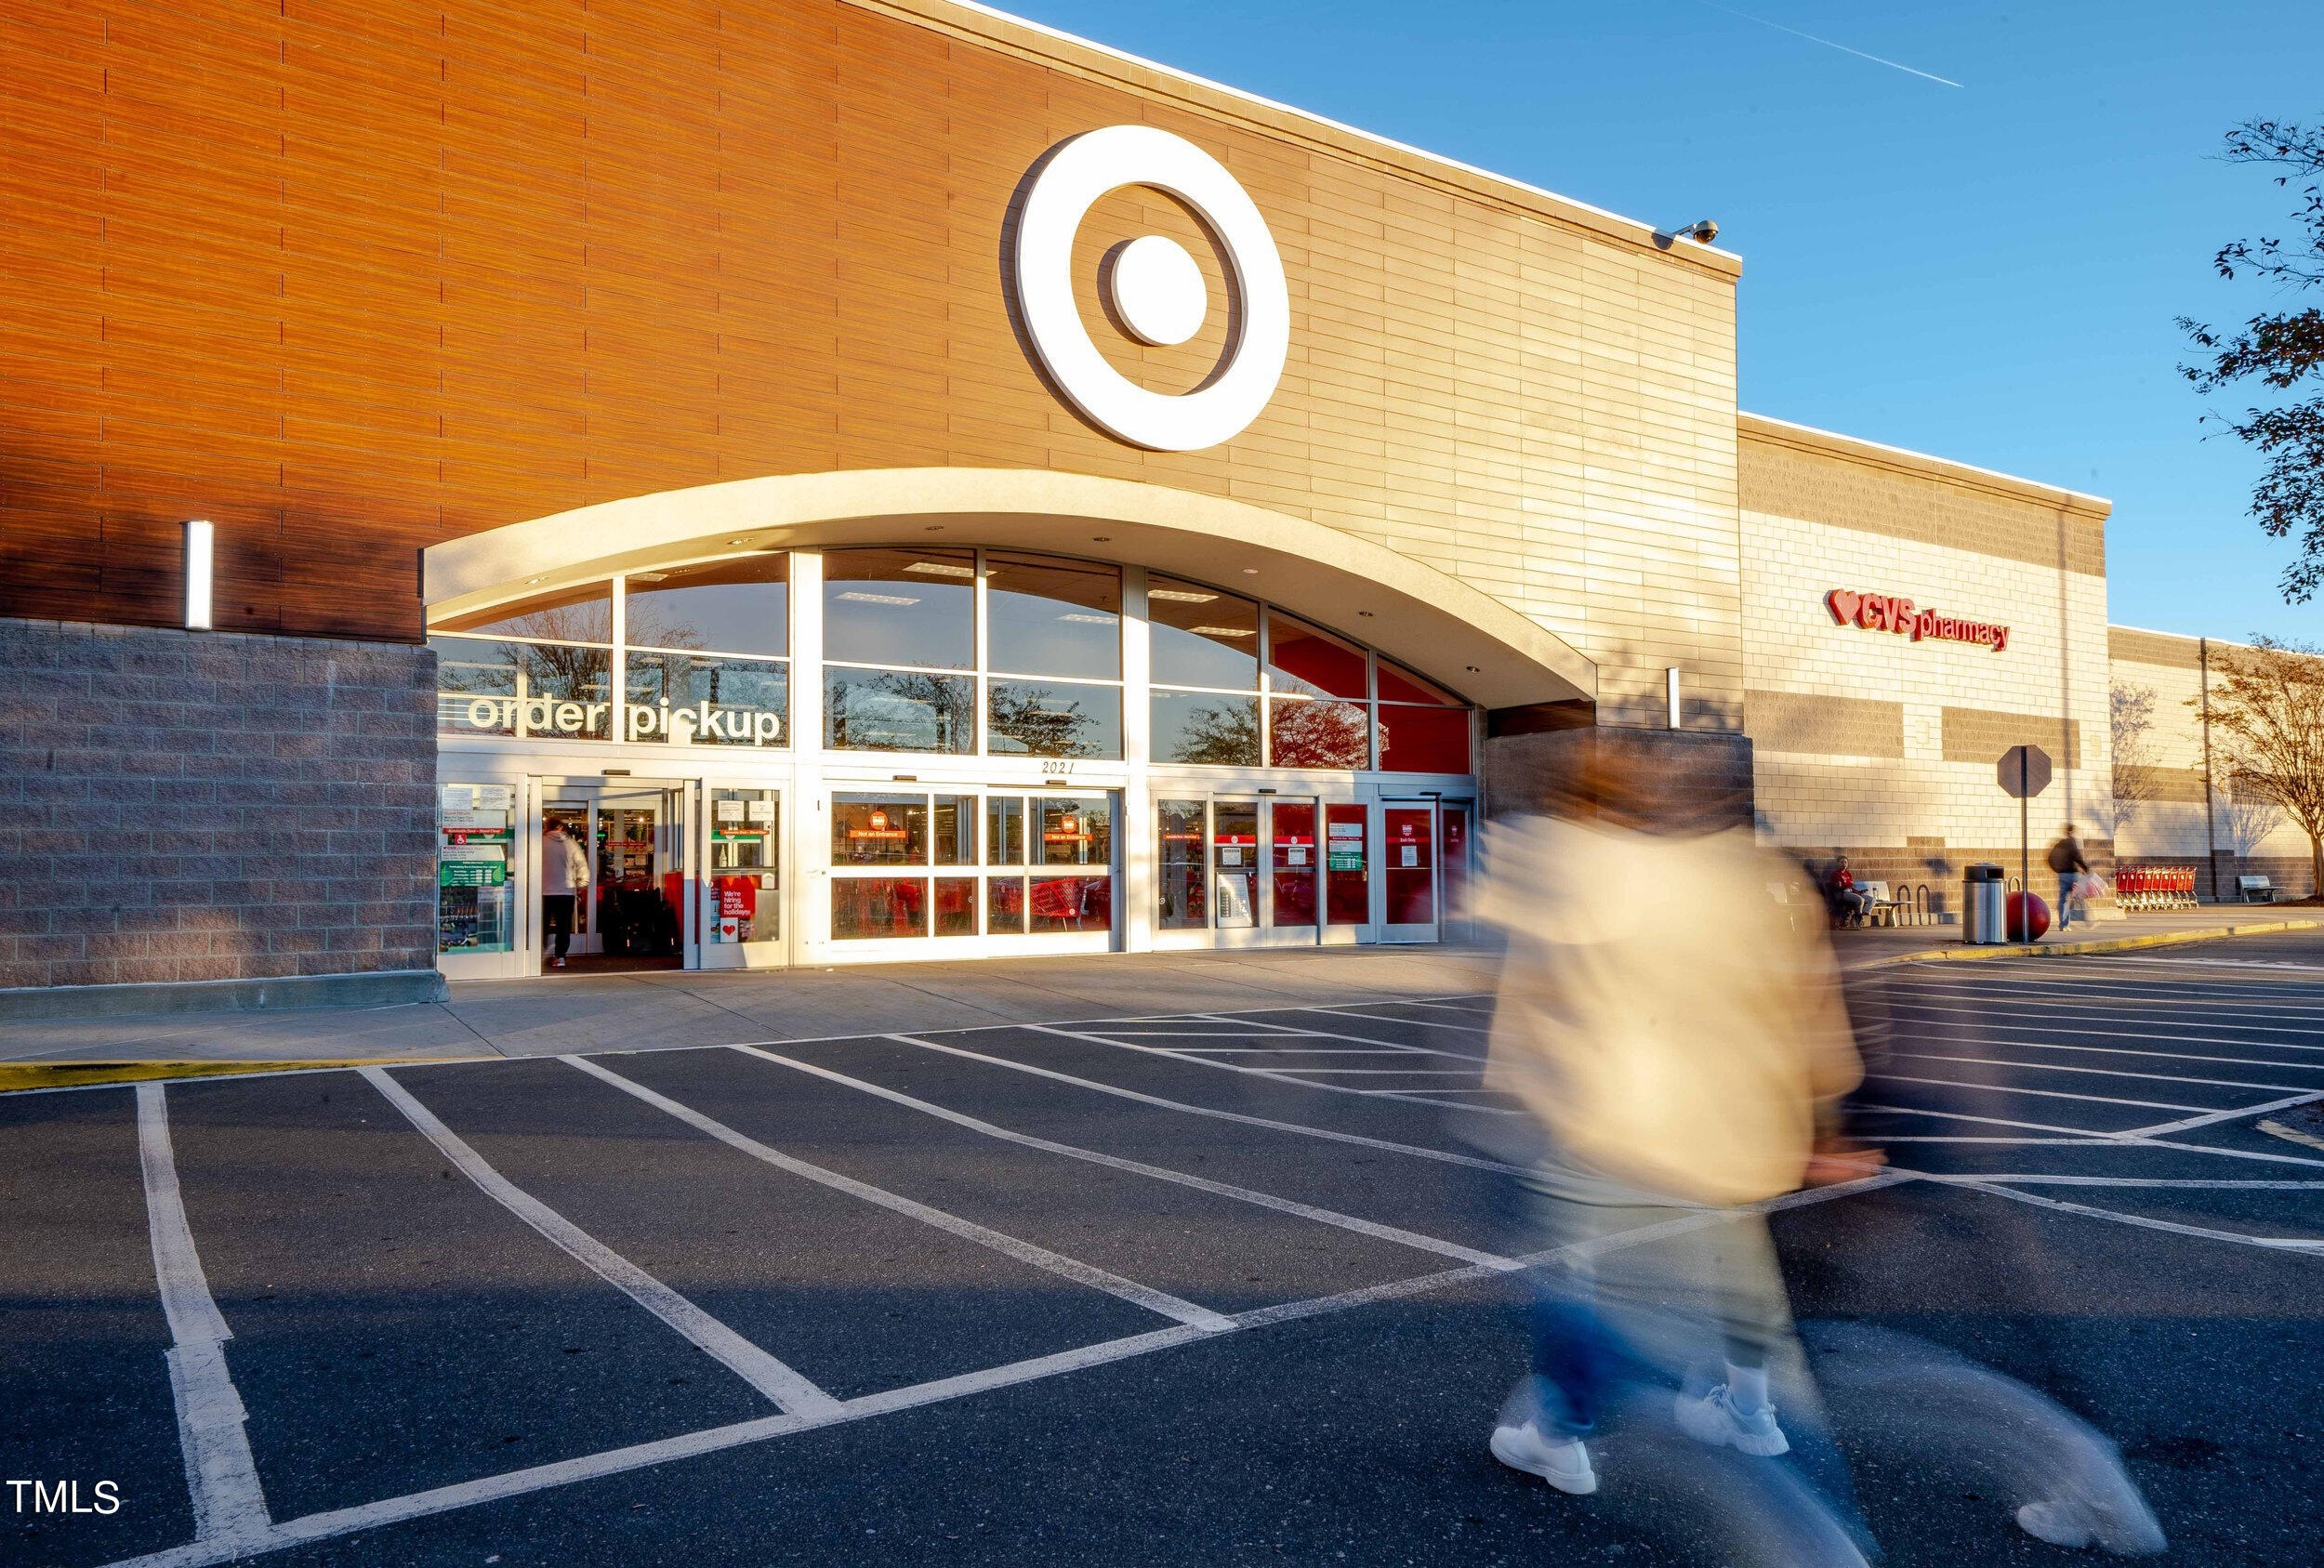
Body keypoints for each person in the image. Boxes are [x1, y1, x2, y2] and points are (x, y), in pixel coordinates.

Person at [1469, 747, 1867, 1548]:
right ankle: (1754, 1413)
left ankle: (1567, 1429)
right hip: (1736, 1125)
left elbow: (1525, 996)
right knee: (1737, 1269)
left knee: (1574, 1276)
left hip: (1611, 1121)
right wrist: (1826, 1115)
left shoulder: (1560, 864)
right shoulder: (1750, 878)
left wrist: (1508, 1098)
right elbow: (1810, 996)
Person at [541, 817, 589, 968]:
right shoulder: (571, 844)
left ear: (548, 827)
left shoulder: (540, 842)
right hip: (566, 891)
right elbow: (581, 865)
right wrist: (582, 883)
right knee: (563, 925)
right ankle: (560, 956)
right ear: (562, 828)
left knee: (541, 924)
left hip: (543, 891)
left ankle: (538, 951)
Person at [2046, 825, 2092, 929]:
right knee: (2079, 896)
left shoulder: (2059, 843)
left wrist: (2057, 869)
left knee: (2063, 900)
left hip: (2062, 875)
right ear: (2072, 832)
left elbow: (2049, 858)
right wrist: (2085, 867)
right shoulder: (2072, 842)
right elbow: (2077, 856)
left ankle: (2064, 924)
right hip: (2072, 874)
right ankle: (2086, 918)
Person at [1820, 853, 1871, 926]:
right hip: (1844, 893)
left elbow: (1851, 886)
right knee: (1861, 900)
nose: (1844, 864)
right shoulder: (1835, 874)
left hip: (1851, 892)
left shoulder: (1848, 874)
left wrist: (1859, 891)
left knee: (1871, 899)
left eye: (1845, 862)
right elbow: (1838, 886)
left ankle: (1863, 913)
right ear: (1838, 863)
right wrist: (1841, 886)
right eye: (1842, 862)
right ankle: (1858, 916)